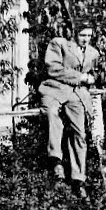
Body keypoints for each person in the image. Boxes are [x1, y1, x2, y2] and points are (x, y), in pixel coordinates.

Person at [38, 19, 99, 199]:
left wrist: (90, 80)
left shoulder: (93, 53)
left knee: (80, 133)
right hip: (55, 88)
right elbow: (54, 69)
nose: (85, 39)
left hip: (77, 94)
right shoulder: (59, 44)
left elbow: (91, 75)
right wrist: (80, 77)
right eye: (82, 35)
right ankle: (55, 160)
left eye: (89, 35)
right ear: (74, 33)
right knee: (51, 113)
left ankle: (78, 179)